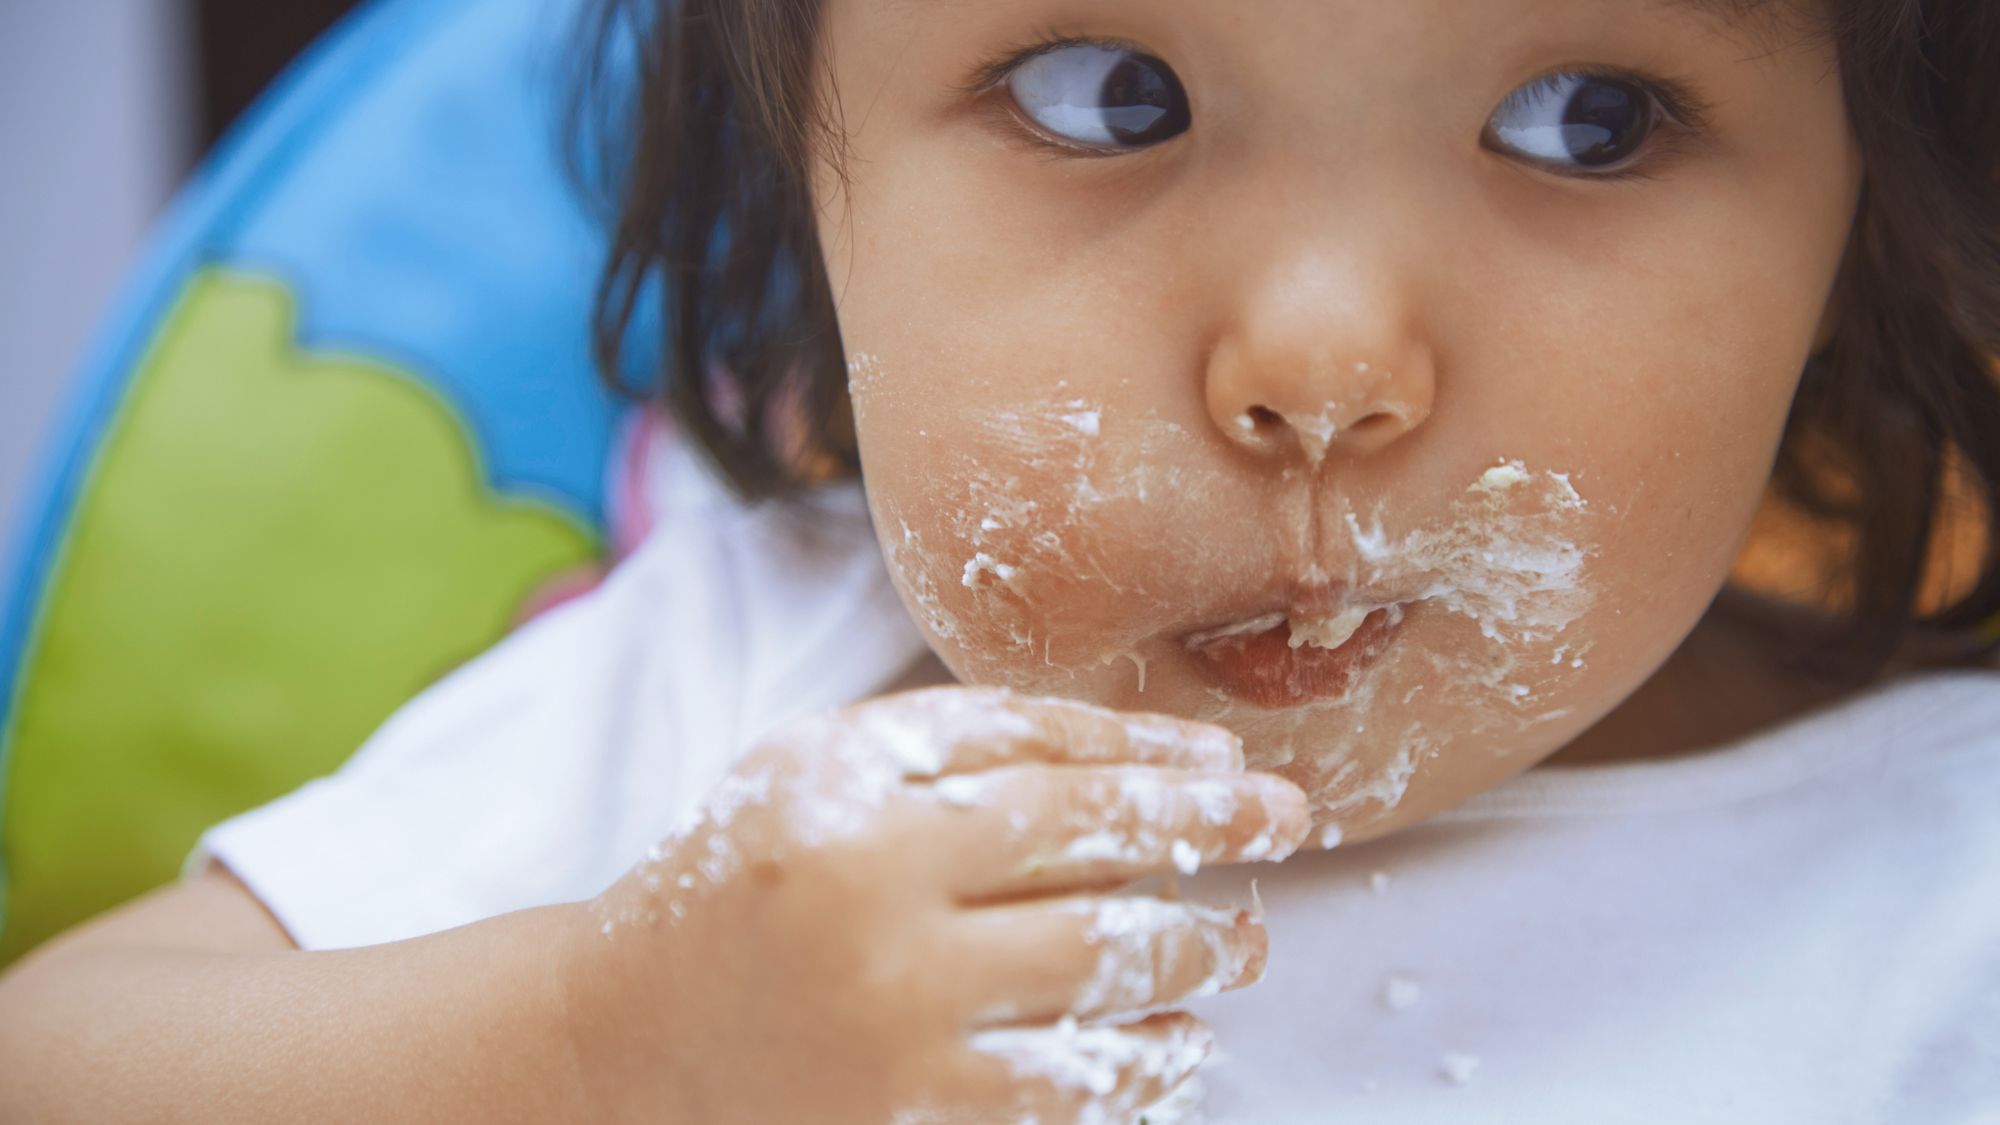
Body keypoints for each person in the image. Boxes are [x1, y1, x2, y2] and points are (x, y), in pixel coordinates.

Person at [3, 0, 1998, 1119]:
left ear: (1858, 239)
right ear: (810, 176)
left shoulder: (1945, 904)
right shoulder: (740, 702)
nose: (1321, 362)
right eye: (1106, 99)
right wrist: (608, 1046)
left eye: (1586, 122)